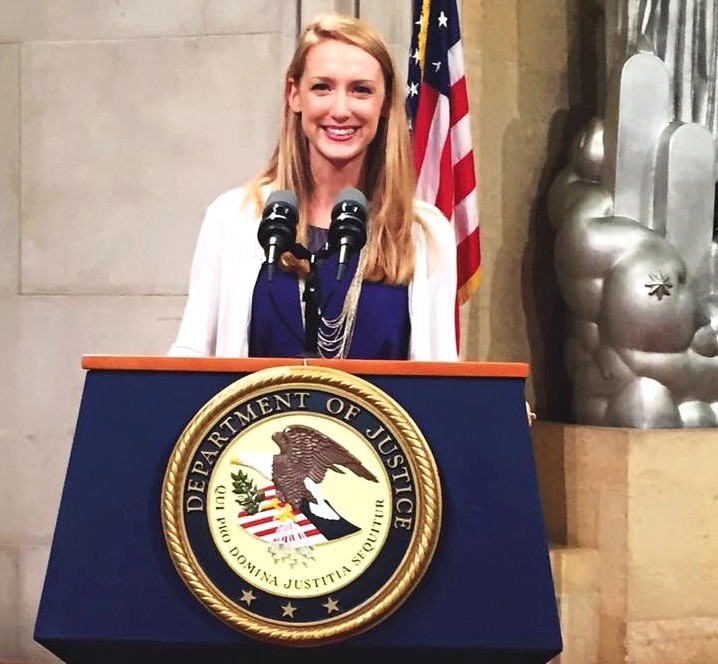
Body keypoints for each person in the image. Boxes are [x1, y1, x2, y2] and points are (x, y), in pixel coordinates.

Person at [168, 13, 458, 361]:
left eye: (361, 90)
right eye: (322, 87)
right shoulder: (232, 218)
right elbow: (191, 355)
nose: (340, 109)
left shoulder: (424, 232)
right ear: (294, 95)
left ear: (384, 104)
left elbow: (443, 373)